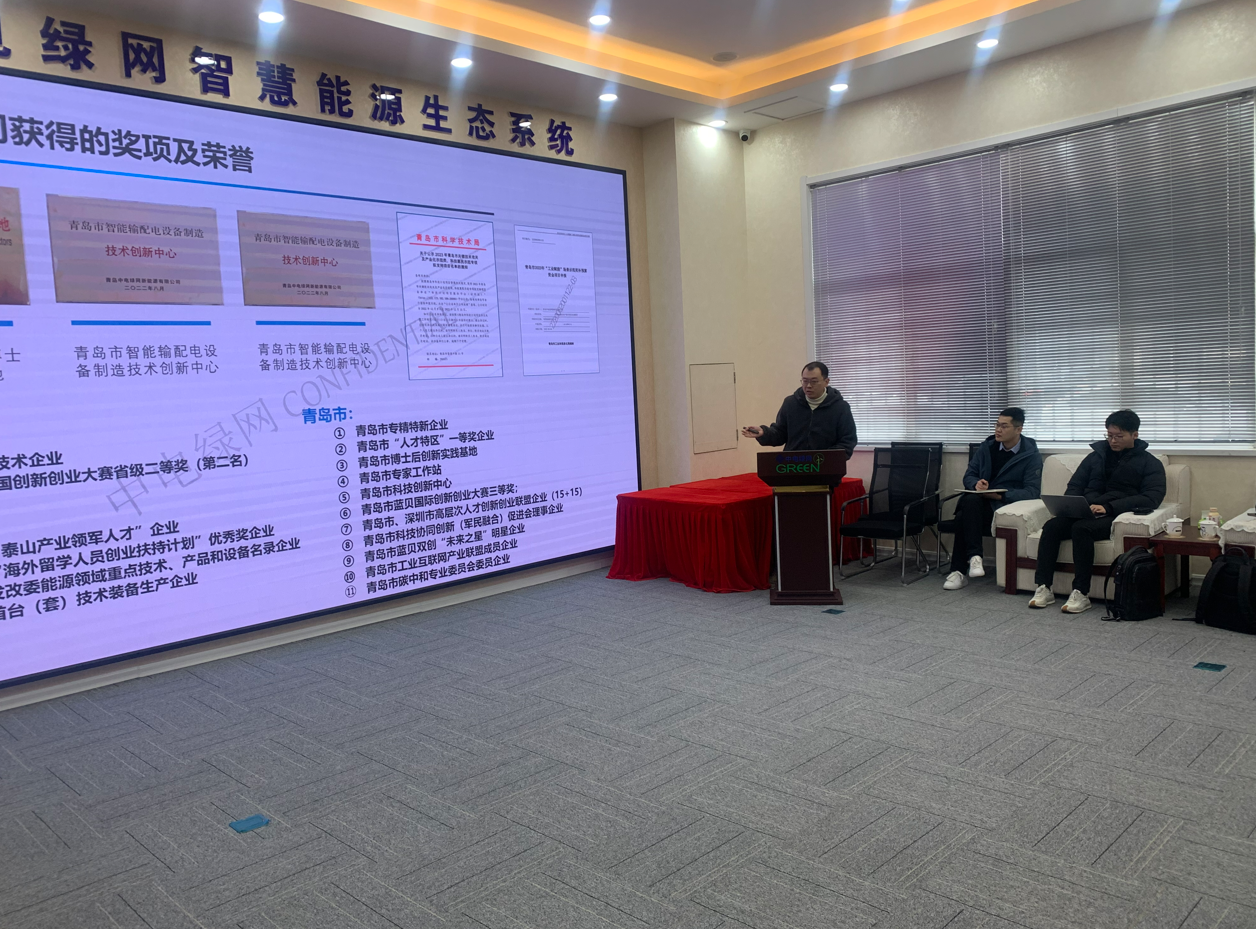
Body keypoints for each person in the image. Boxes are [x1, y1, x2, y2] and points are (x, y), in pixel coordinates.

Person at [1030, 409, 1165, 614]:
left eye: (1119, 436)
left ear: (1134, 435)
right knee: (1052, 526)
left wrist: (1109, 507)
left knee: (1082, 529)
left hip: (1114, 515)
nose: (1113, 441)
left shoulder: (1150, 463)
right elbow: (1075, 485)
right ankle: (1043, 587)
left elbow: (1152, 497)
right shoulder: (1095, 457)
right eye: (1109, 435)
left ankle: (1081, 592)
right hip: (1086, 510)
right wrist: (1074, 504)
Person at [943, 408, 1042, 590]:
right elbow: (969, 475)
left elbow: (1032, 491)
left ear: (1018, 429)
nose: (998, 430)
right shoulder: (987, 447)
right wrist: (976, 485)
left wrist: (1000, 495)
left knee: (963, 516)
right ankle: (974, 558)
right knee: (970, 503)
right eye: (997, 425)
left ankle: (960, 570)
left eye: (1004, 426)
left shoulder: (1030, 455)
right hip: (979, 503)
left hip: (1001, 507)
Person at [742, 361, 857, 455]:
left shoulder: (840, 407)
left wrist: (827, 458)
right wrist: (763, 433)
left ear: (826, 382)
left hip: (825, 468)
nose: (808, 386)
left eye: (814, 382)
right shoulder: (790, 403)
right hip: (793, 467)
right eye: (805, 381)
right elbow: (780, 434)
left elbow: (847, 440)